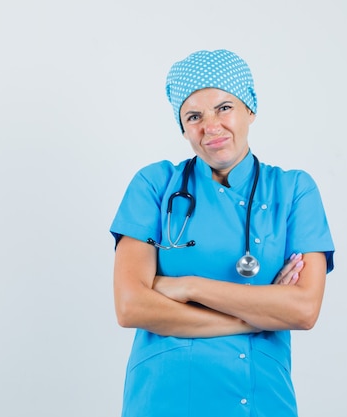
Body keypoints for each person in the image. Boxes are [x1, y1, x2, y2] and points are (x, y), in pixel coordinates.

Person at [110, 49, 335, 417]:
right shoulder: (154, 185)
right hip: (165, 399)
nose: (210, 126)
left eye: (224, 107)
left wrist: (187, 286)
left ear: (251, 109)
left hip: (262, 398)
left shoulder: (295, 191)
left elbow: (304, 309)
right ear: (183, 128)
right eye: (193, 116)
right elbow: (131, 305)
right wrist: (256, 315)